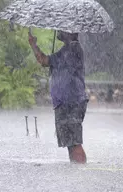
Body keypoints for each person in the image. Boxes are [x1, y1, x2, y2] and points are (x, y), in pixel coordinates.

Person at [28, 29, 88, 164]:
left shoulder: (73, 49)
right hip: (65, 102)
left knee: (74, 142)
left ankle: (80, 171)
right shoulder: (68, 49)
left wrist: (34, 46)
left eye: (63, 29)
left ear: (71, 32)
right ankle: (76, 171)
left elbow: (44, 61)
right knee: (70, 143)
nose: (59, 31)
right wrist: (33, 45)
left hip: (71, 102)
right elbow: (45, 61)